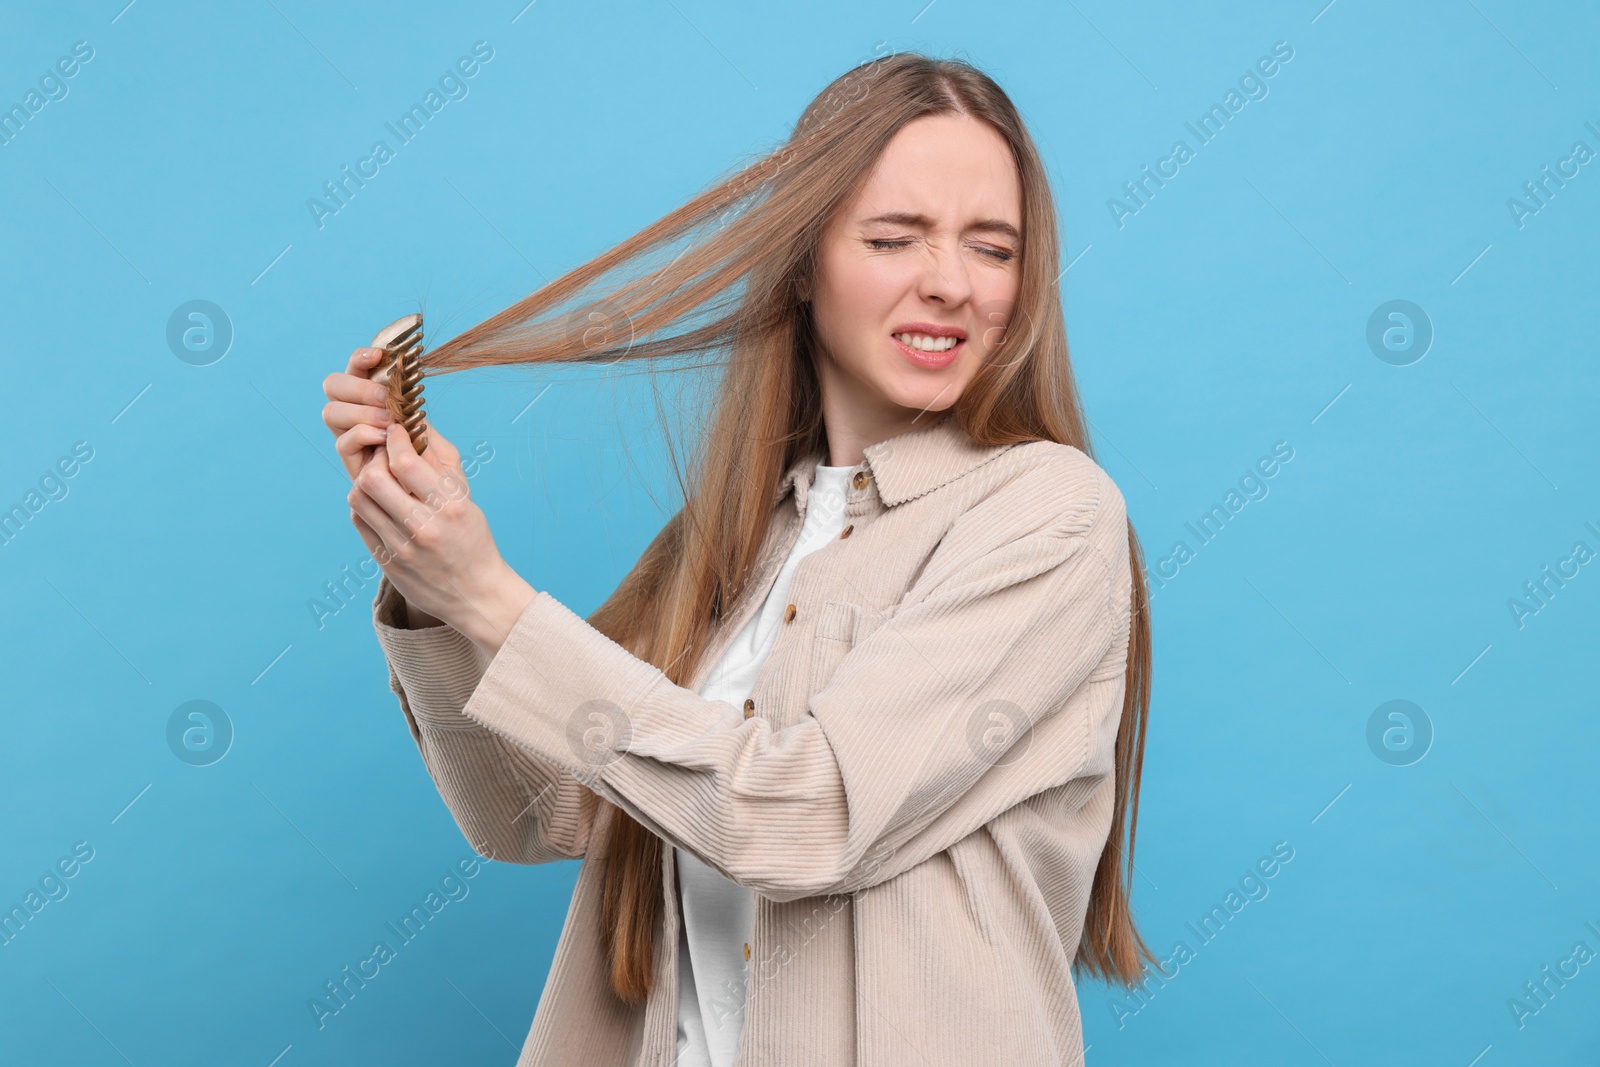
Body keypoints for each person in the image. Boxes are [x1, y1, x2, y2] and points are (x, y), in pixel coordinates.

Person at [321, 51, 1155, 1067]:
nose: (949, 284)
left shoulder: (1050, 516)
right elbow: (529, 812)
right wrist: (432, 583)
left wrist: (492, 597)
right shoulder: (736, 539)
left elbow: (808, 814)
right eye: (894, 238)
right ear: (804, 262)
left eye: (992, 248)